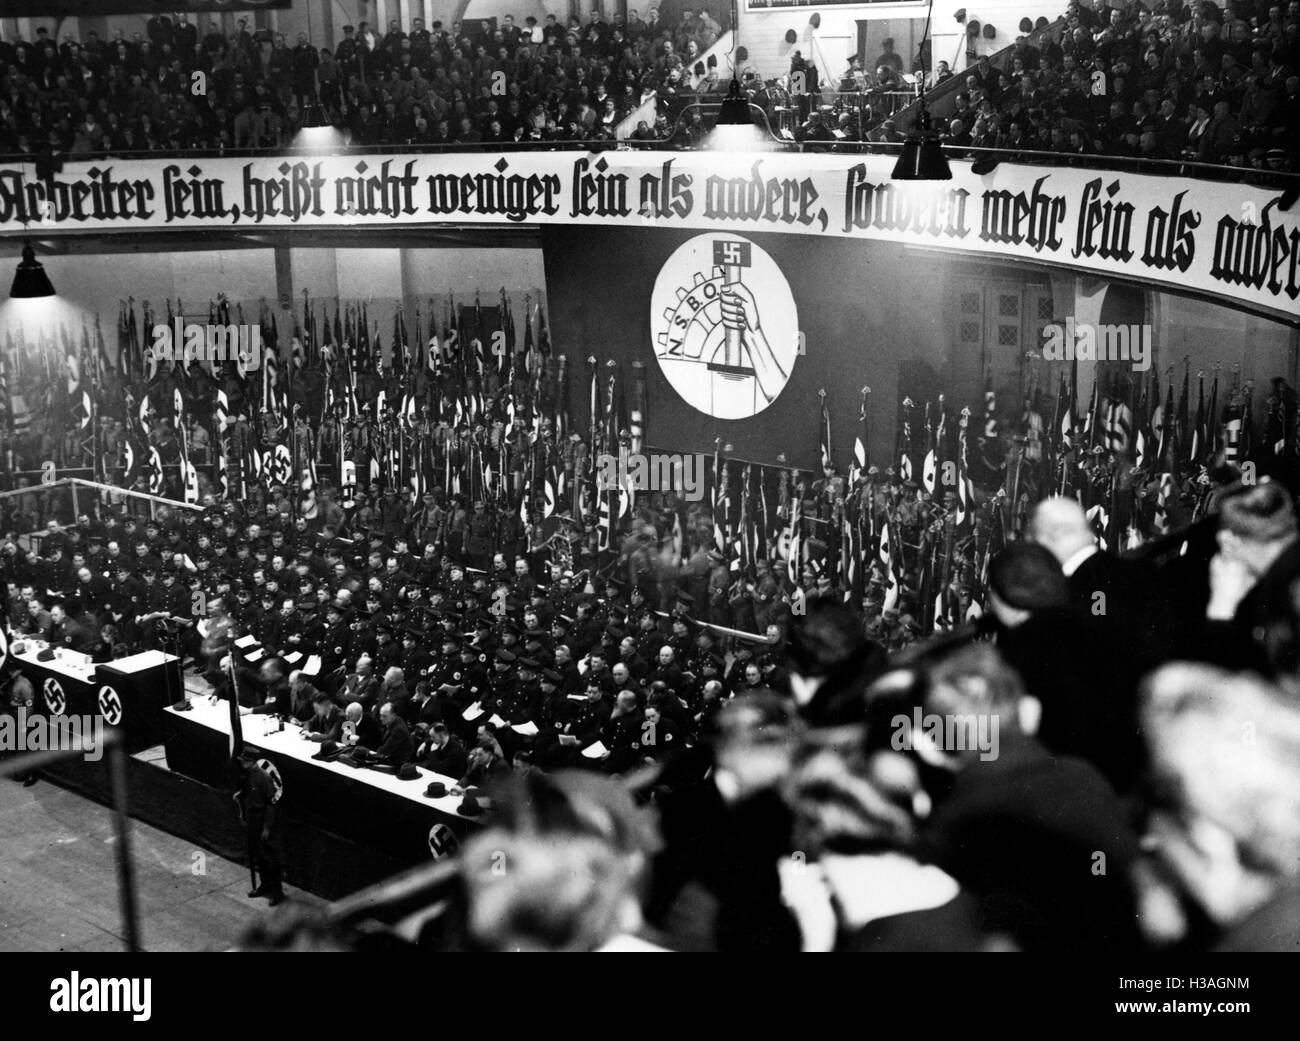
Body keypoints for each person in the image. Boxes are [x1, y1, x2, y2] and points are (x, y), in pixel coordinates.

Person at [232, 750, 284, 905]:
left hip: (262, 821)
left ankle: (277, 893)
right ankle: (265, 885)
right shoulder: (248, 775)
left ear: (252, 761)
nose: (242, 763)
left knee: (270, 859)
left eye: (245, 760)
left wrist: (267, 827)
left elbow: (270, 804)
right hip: (252, 820)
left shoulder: (263, 778)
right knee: (259, 857)